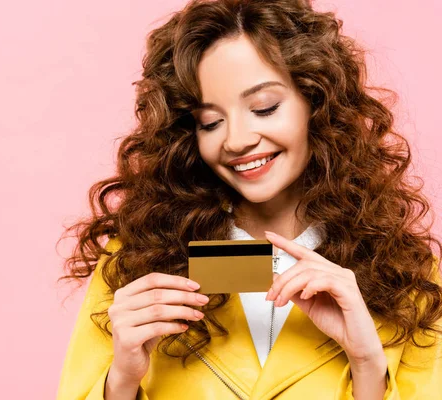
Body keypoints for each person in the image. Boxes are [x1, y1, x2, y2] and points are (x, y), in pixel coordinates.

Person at [56, 0, 442, 398]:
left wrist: (367, 366)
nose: (237, 140)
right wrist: (120, 381)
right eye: (211, 122)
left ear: (316, 101)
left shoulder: (407, 274)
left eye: (264, 107)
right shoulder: (135, 264)